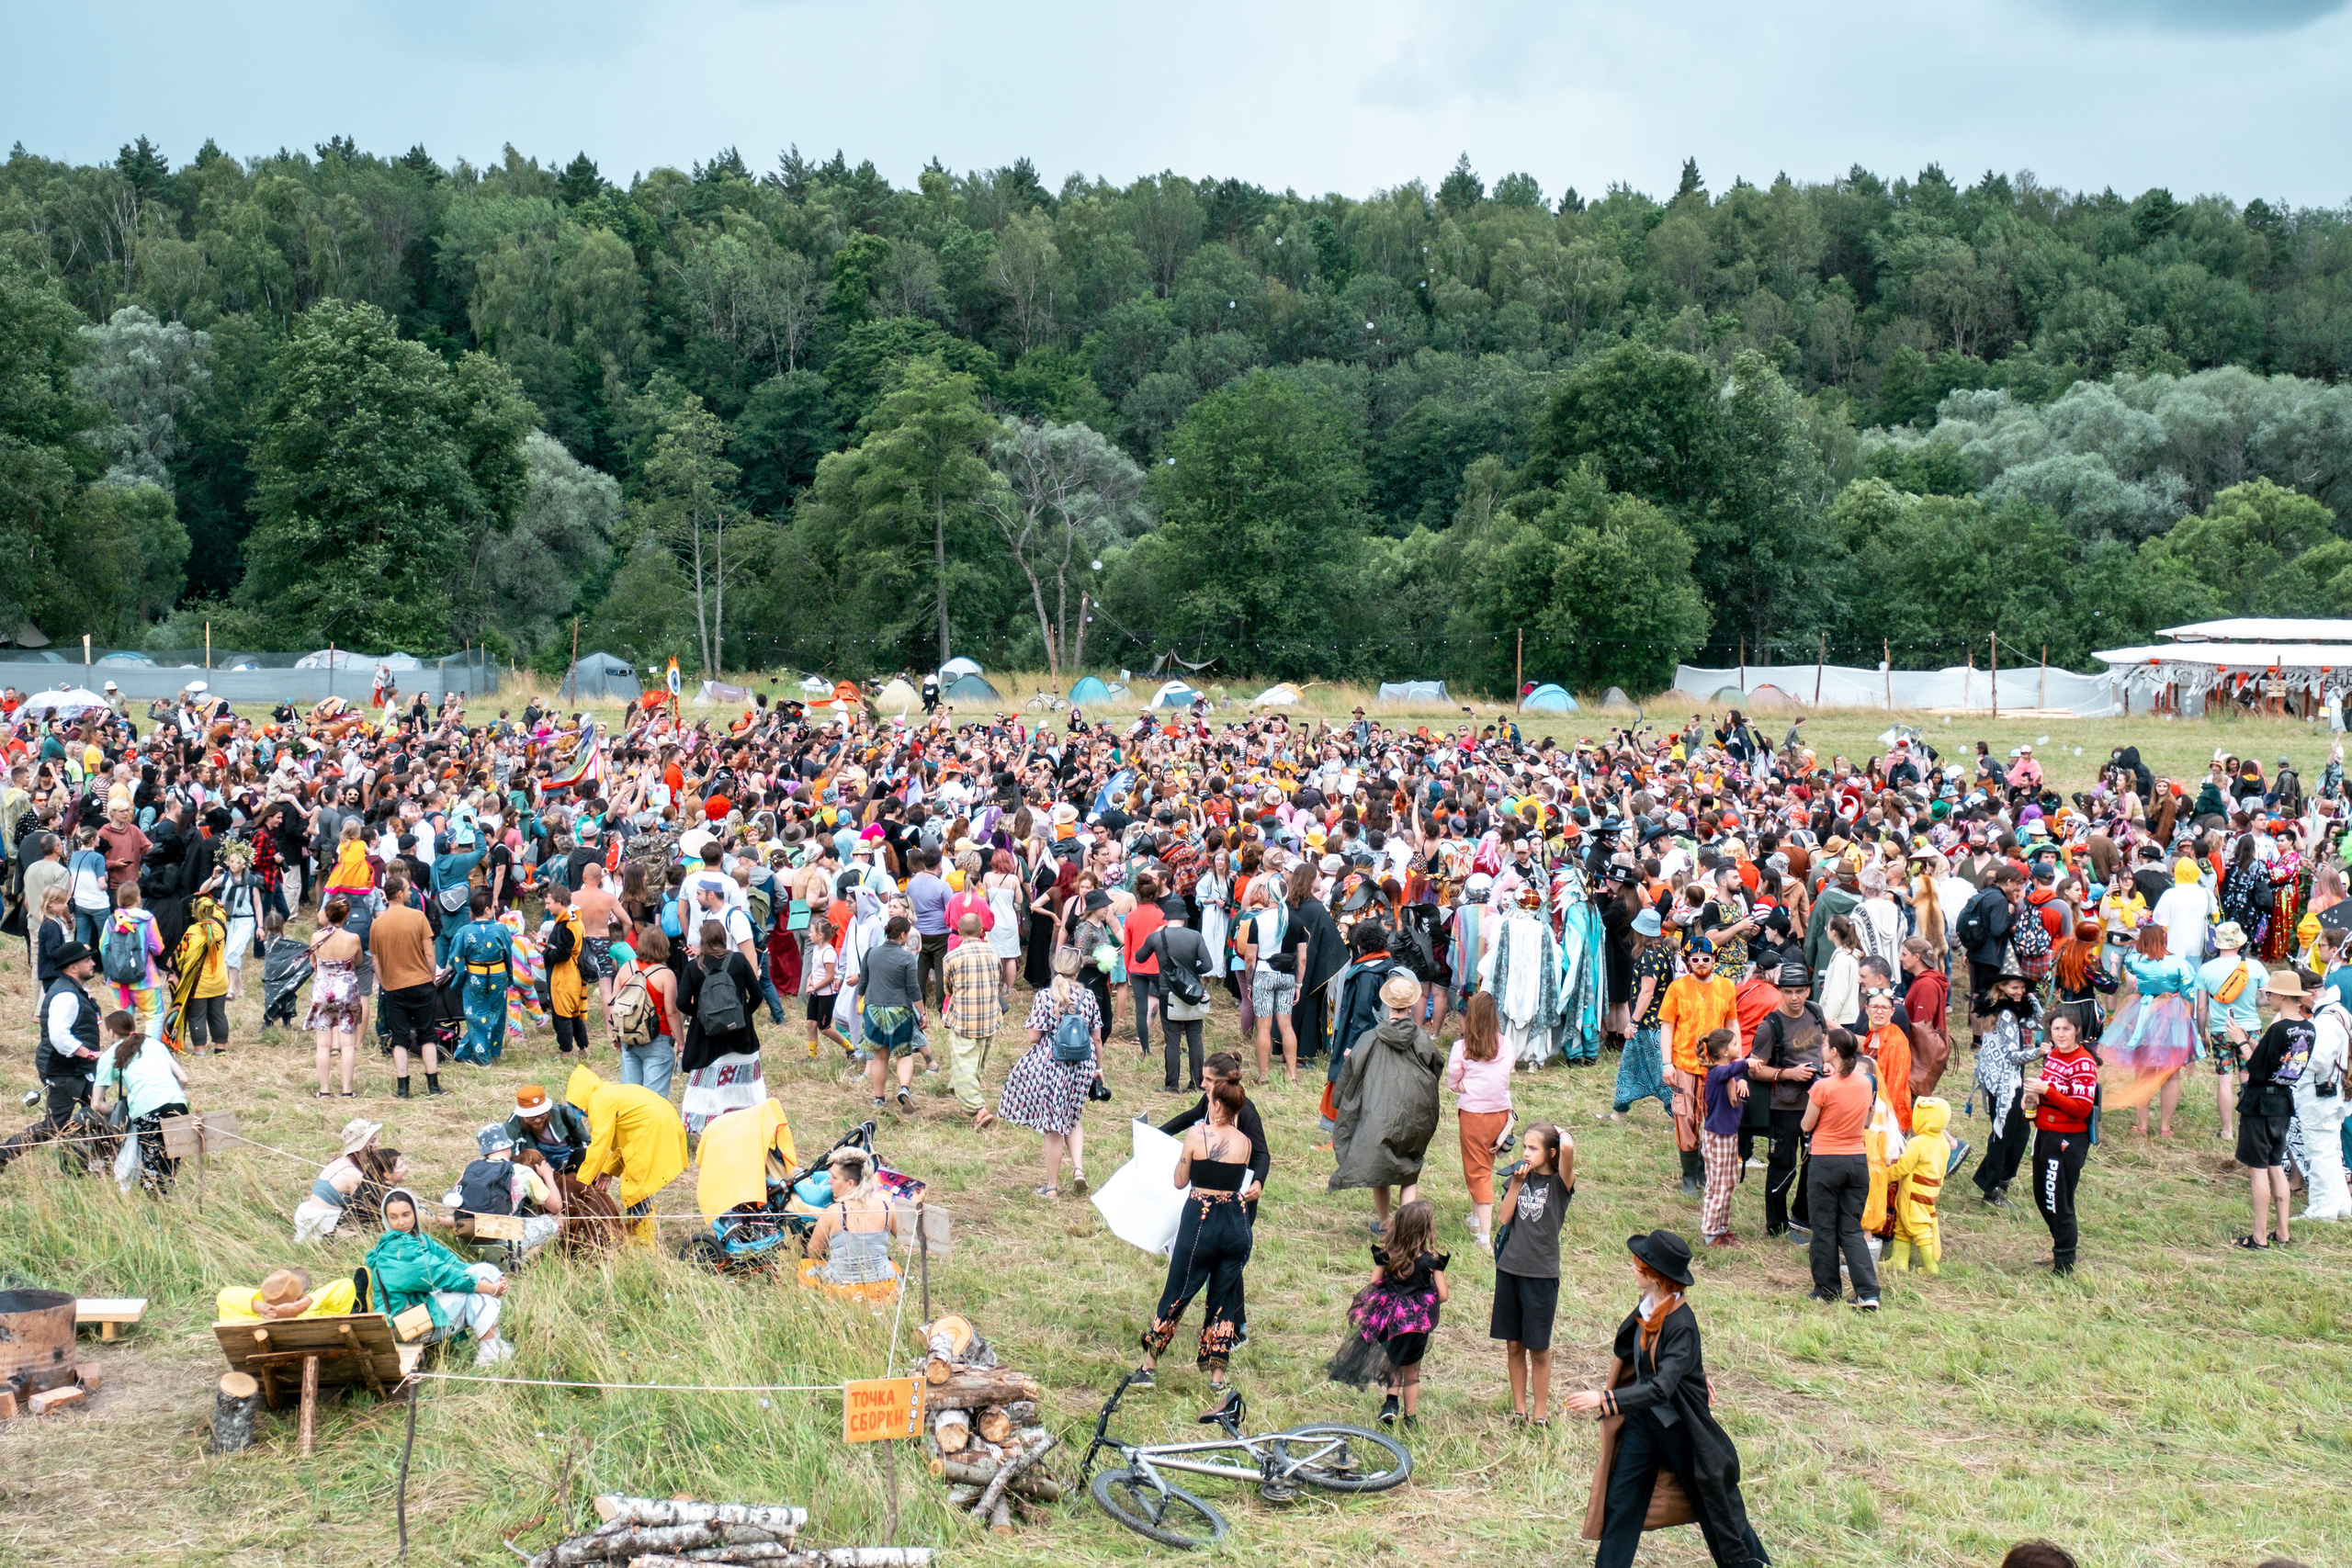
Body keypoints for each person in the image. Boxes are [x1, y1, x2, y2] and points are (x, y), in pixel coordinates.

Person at [1570, 1230, 1768, 1568]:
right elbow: (1655, 1359)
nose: (1631, 1267)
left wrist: (1605, 1398)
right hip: (1643, 1425)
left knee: (1711, 1505)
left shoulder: (1681, 1322)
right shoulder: (1649, 1308)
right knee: (1622, 1503)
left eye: (1637, 1263)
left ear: (1654, 1275)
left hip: (1679, 1430)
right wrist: (1694, 1374)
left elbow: (1662, 1387)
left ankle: (1750, 1563)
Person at [1137, 1076, 1257, 1401]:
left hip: (1201, 1221)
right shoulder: (1245, 1143)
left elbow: (1180, 1181)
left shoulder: (1196, 1135)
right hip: (1235, 1224)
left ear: (1217, 1105)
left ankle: (1148, 1366)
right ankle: (1217, 1377)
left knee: (1178, 1291)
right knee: (1223, 1299)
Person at [1329, 973, 1446, 1232]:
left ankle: (1385, 1224)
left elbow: (1350, 1073)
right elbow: (1436, 1066)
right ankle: (1404, 1229)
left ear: (1388, 1004)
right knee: (1410, 1166)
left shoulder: (1370, 1037)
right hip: (1416, 1114)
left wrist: (1340, 1104)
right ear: (1412, 1005)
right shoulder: (1422, 1039)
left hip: (1378, 1114)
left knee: (1378, 1165)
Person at [1327, 1199, 1449, 1429]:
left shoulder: (1387, 1254)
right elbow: (1443, 1294)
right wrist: (1423, 1297)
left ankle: (1390, 1404)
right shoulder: (1432, 1260)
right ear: (1426, 1230)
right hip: (1415, 1324)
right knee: (1412, 1370)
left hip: (1390, 1321)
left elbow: (1374, 1281)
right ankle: (1410, 1418)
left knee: (1394, 1362)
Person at [365, 1188, 514, 1366]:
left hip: (419, 1311)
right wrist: (490, 1288)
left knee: (482, 1272)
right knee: (475, 1292)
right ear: (386, 1219)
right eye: (394, 1217)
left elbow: (452, 1263)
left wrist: (488, 1278)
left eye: (406, 1214)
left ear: (415, 1212)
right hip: (403, 1324)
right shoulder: (395, 1248)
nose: (401, 1222)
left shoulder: (420, 1239)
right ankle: (489, 1354)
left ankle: (493, 1346)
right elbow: (439, 1274)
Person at [998, 946, 1102, 1199]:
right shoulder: (1088, 997)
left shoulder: (1045, 997)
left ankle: (1052, 1187)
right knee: (1073, 1117)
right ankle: (1078, 1169)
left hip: (1053, 1064)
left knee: (1053, 1127)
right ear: (1078, 970)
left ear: (1056, 967)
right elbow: (1096, 1038)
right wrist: (1099, 1068)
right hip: (1083, 1064)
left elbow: (1033, 1037)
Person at [0, 941, 109, 1175]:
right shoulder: (66, 995)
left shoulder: (74, 990)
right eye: (87, 960)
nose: (93, 963)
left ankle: (100, 1164)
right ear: (72, 967)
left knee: (98, 1111)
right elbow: (59, 1036)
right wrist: (89, 1053)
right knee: (54, 1125)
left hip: (78, 1068)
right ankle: (2, 1154)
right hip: (64, 1069)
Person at [1492, 1122, 1572, 1425]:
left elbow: (1569, 1148)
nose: (1526, 1152)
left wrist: (1559, 1130)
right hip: (1510, 1269)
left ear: (1551, 1152)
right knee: (1514, 1344)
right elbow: (1502, 1218)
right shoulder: (1517, 1178)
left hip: (1541, 1275)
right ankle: (1519, 1410)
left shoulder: (1560, 1184)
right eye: (1525, 1146)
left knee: (1538, 1348)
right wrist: (1515, 1183)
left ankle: (1540, 1414)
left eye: (1533, 1148)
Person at [565, 1064, 690, 1241]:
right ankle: (640, 1236)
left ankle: (644, 1242)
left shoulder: (598, 1101)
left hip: (653, 1130)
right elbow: (622, 1142)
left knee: (635, 1189)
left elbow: (599, 1146)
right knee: (639, 1188)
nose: (577, 1111)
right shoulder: (607, 1094)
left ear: (580, 1097)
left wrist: (581, 1184)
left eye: (574, 1105)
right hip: (660, 1124)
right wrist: (608, 1170)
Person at [1802, 1028, 1880, 1310]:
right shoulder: (1867, 1081)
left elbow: (1806, 1125)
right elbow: (1868, 1122)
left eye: (1824, 1044)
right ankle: (1868, 1292)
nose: (1822, 1047)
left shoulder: (1823, 1087)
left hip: (1826, 1161)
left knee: (1823, 1228)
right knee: (1851, 1230)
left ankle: (1826, 1289)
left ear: (1834, 1052)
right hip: (1857, 1161)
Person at [2236, 972, 2312, 1250]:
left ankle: (2258, 1237)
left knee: (2257, 1171)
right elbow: (2276, 1062)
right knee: (2276, 1167)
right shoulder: (2308, 1028)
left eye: (2270, 994)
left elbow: (2257, 1068)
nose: (2267, 998)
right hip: (2283, 1101)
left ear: (2281, 996)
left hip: (2260, 1103)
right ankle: (2282, 1232)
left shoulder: (2278, 1029)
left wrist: (2241, 1041)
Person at [1658, 941, 1739, 1196]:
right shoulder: (1677, 988)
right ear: (1687, 962)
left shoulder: (1727, 987)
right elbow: (1667, 1027)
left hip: (1718, 1068)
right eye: (1695, 959)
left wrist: (1736, 1062)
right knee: (1686, 1119)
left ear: (1714, 959)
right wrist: (1667, 1064)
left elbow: (1732, 1024)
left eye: (1706, 958)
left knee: (1714, 1119)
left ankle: (1706, 1171)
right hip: (1684, 1065)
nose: (1701, 963)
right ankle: (1689, 1177)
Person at [2109, 924, 2199, 1138]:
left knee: (2142, 1070)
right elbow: (2188, 993)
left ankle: (2142, 1125)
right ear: (2164, 938)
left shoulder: (2135, 961)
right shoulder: (2179, 963)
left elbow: (2130, 973)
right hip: (2173, 1017)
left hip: (2143, 1015)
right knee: (2172, 1073)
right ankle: (2165, 1128)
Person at [2024, 1011, 2098, 1274]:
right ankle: (2060, 1247)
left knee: (2058, 1200)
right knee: (2042, 1196)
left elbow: (2081, 1109)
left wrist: (2048, 1092)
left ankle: (2065, 1263)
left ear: (2077, 1030)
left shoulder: (2084, 1063)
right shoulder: (2053, 1056)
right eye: (2056, 1029)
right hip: (2045, 1132)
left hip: (2068, 1138)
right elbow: (2049, 1092)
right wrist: (2034, 1098)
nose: (2061, 1034)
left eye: (2066, 1029)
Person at [679, 918, 765, 1135]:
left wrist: (700, 1016)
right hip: (740, 1038)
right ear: (723, 937)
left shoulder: (694, 966)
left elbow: (681, 1002)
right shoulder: (738, 960)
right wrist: (742, 1015)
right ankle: (747, 1124)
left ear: (703, 939)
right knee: (744, 1088)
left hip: (707, 1041)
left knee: (710, 1087)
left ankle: (706, 1128)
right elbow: (757, 994)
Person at [1158, 1052, 1271, 1218]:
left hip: (1237, 1193)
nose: (1202, 1084)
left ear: (1226, 1081)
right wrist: (1157, 1133)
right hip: (1208, 1191)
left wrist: (1258, 1182)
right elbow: (1190, 1117)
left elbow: (1262, 1153)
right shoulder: (1208, 1100)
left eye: (1209, 1080)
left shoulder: (1246, 1112)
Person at [1444, 992, 1515, 1249]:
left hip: (1473, 1115)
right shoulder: (1505, 1044)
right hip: (1501, 1114)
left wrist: (1465, 1085)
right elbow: (1507, 1070)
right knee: (1481, 1166)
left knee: (1477, 1170)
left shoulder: (1461, 1048)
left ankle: (1484, 1237)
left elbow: (1453, 1081)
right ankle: (1474, 1219)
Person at [95, 1005, 189, 1193]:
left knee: (152, 1165)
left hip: (147, 1109)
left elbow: (96, 1104)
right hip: (177, 1103)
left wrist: (120, 1109)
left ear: (112, 1032)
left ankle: (155, 1207)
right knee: (170, 1161)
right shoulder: (155, 1044)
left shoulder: (111, 1054)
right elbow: (184, 1079)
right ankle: (165, 1201)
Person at [1972, 967, 2041, 1209]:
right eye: (2014, 987)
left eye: (2022, 987)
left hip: (2007, 1080)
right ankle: (1991, 1190)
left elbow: (2040, 1022)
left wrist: (2031, 997)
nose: (2020, 991)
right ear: (2000, 987)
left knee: (2019, 1133)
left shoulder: (2009, 1011)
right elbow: (2013, 1056)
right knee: (2003, 1135)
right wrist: (2040, 1052)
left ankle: (1998, 1182)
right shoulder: (2006, 1016)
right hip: (2005, 1083)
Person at [368, 868, 442, 1099]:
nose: (411, 893)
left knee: (399, 1038)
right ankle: (433, 1086)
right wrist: (431, 978)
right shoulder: (418, 917)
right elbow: (430, 954)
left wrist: (384, 983)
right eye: (408, 889)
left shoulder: (377, 925)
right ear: (399, 894)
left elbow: (376, 961)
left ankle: (403, 1088)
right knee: (427, 1035)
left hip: (394, 987)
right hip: (421, 983)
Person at [444, 1124, 563, 1261]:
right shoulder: (522, 1171)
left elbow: (456, 1197)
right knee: (561, 1220)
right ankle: (521, 1261)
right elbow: (557, 1206)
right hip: (505, 1243)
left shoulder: (471, 1168)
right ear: (508, 1146)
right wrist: (548, 1176)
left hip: (466, 1240)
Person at [2196, 919, 2265, 1146]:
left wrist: (2202, 1033)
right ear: (2240, 942)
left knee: (2224, 1080)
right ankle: (2245, 1127)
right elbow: (2267, 997)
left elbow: (2202, 1007)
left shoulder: (2206, 969)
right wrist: (2254, 1002)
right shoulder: (2254, 967)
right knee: (2248, 1077)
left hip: (2220, 1030)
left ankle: (2227, 1131)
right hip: (2250, 1030)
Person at [1605, 905, 1675, 1123]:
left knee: (1663, 1075)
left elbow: (1647, 993)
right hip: (1649, 1025)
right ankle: (1620, 1112)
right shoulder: (1662, 950)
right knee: (1628, 1068)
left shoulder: (1649, 957)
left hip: (1650, 1026)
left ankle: (1680, 1117)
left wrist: (1633, 1022)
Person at [804, 1145, 905, 1291]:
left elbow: (814, 1253)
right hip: (883, 1290)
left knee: (805, 1266)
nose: (828, 1181)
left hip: (840, 1291)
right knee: (894, 1267)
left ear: (850, 1183)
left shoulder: (833, 1212)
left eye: (833, 1177)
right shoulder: (889, 1208)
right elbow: (911, 1239)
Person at [291, 1118, 409, 1243]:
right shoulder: (353, 1174)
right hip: (323, 1223)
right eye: (373, 1141)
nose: (378, 1144)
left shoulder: (342, 1161)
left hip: (309, 1214)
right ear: (362, 1146)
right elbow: (369, 1209)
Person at [942, 909, 1005, 1130]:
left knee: (964, 1064)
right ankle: (964, 1100)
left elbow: (948, 990)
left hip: (964, 1019)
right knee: (975, 1063)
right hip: (989, 1017)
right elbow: (998, 980)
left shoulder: (951, 957)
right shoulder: (994, 954)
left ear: (958, 932)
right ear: (981, 931)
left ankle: (978, 1109)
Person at [859, 913, 927, 1115]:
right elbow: (914, 990)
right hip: (899, 1010)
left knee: (880, 1057)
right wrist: (923, 1013)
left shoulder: (871, 953)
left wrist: (858, 1002)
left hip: (873, 1008)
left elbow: (863, 981)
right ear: (903, 934)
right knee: (903, 1054)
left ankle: (879, 1099)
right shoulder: (907, 957)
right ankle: (904, 1088)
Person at [1883, 1096, 1952, 1277]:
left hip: (1913, 1192)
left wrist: (1883, 1176)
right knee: (1903, 1225)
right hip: (1930, 1191)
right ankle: (1898, 1262)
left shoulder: (1917, 1143)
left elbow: (1902, 1168)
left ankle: (1931, 1267)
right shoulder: (1943, 1142)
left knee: (1918, 1226)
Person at [447, 887, 517, 1066]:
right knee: (495, 1015)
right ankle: (484, 1056)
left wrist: (462, 974)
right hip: (498, 977)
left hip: (474, 979)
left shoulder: (463, 931)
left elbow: (455, 957)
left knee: (475, 1016)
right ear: (487, 910)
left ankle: (474, 1053)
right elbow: (508, 954)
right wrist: (510, 976)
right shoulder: (501, 929)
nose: (496, 910)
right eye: (493, 907)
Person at [609, 931, 681, 1097]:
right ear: (664, 946)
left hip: (629, 1037)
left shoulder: (625, 968)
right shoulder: (666, 975)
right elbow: (671, 1012)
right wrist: (681, 1042)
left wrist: (616, 1035)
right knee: (654, 1103)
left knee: (631, 1099)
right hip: (658, 1038)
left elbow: (615, 1005)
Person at [1697, 1029, 1749, 1247]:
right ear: (1725, 1051)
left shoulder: (1729, 1073)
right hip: (1717, 1137)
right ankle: (1709, 1233)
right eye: (1736, 1043)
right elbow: (1733, 1069)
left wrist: (1743, 1081)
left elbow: (1734, 1074)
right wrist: (1749, 1063)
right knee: (1716, 1186)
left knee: (1728, 1184)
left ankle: (1722, 1227)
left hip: (1729, 1136)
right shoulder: (1716, 1073)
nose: (1739, 1046)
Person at [543, 879, 591, 1056]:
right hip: (574, 975)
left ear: (560, 902)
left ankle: (565, 1052)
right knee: (574, 1014)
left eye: (549, 903)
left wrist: (544, 952)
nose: (546, 907)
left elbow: (562, 954)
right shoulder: (575, 920)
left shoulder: (566, 925)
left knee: (562, 1016)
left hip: (563, 977)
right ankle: (583, 1048)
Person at [503, 1082, 593, 1175]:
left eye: (542, 1115)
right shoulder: (511, 1127)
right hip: (539, 1166)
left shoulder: (565, 1114)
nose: (538, 1120)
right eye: (531, 1117)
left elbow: (585, 1142)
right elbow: (511, 1158)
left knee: (588, 1156)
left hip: (568, 1158)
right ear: (523, 1116)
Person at [215, 1268, 360, 1325]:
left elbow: (225, 1296)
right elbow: (345, 1285)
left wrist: (262, 1308)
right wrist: (299, 1307)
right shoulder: (313, 1316)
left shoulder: (244, 1320)